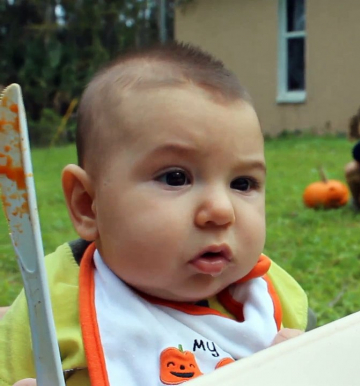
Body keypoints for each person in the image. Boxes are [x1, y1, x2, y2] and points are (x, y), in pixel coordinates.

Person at [1, 42, 312, 386]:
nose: (222, 211)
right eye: (175, 178)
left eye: (243, 183)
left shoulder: (268, 294)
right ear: (87, 204)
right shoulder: (46, 308)